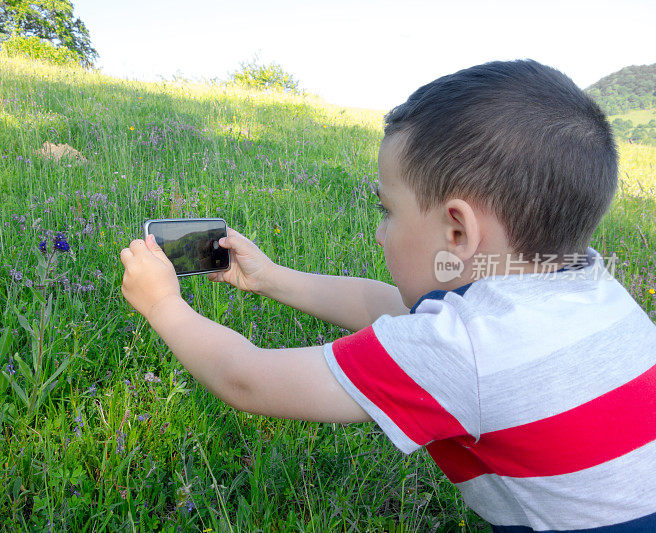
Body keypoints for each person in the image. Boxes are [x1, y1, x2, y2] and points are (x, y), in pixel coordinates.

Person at [119, 59, 656, 532]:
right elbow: (385, 308)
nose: (380, 233)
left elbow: (248, 380)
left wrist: (164, 304)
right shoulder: (592, 289)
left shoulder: (465, 350)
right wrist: (269, 277)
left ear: (457, 233)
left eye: (388, 211)